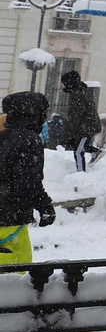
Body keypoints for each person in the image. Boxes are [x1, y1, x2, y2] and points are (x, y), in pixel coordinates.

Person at [0, 92, 56, 267]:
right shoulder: (28, 140)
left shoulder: (3, 136)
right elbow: (28, 181)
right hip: (9, 216)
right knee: (16, 272)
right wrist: (44, 205)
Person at [60, 69, 102, 172]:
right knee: (79, 146)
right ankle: (95, 152)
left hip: (85, 127)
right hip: (87, 126)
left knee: (78, 151)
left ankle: (80, 174)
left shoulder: (77, 95)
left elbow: (75, 117)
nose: (61, 85)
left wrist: (68, 134)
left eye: (63, 82)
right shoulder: (81, 92)